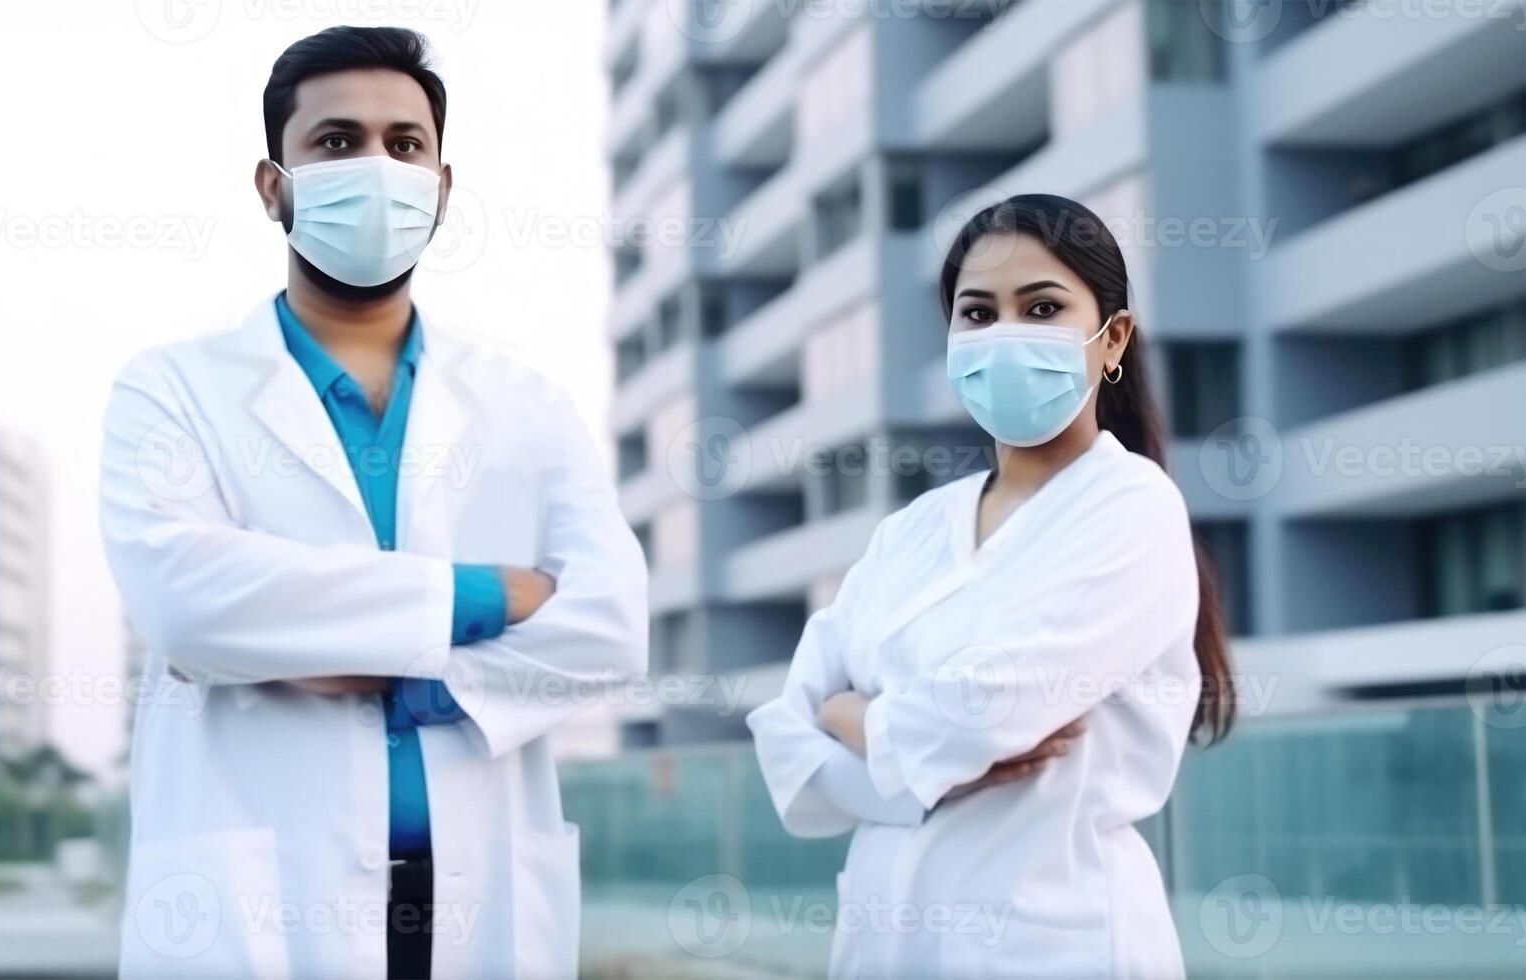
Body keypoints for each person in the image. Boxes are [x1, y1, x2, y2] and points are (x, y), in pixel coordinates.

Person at [99, 26, 647, 979]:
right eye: (335, 141)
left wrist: (392, 669)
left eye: (405, 146)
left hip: (476, 900)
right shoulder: (173, 389)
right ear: (274, 187)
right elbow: (188, 603)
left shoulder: (527, 404)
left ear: (440, 188)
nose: (375, 168)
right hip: (258, 907)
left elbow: (610, 626)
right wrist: (489, 599)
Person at [747, 194, 1235, 978]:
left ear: (1111, 340)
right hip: (886, 942)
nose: (1005, 335)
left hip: (1053, 940)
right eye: (977, 314)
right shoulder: (910, 531)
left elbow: (985, 712)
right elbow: (789, 735)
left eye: (1041, 307)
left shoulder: (1130, 505)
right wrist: (889, 734)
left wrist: (858, 719)